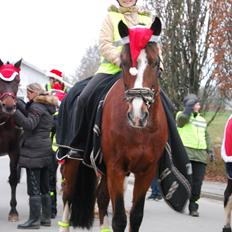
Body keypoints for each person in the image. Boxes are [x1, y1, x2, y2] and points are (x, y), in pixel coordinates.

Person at [15, 83, 58, 229]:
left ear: (34, 93)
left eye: (28, 93)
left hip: (34, 152)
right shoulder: (46, 107)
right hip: (45, 151)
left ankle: (34, 221)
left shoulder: (36, 107)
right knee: (44, 187)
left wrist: (14, 111)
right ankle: (46, 219)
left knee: (33, 188)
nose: (27, 96)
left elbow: (29, 124)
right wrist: (20, 105)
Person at [176, 93, 216, 217]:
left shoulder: (202, 119)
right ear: (190, 105)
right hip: (186, 153)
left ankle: (193, 205)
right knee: (186, 180)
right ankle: (180, 201)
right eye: (196, 103)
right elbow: (181, 122)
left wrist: (210, 150)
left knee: (197, 184)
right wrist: (188, 109)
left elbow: (206, 136)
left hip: (200, 156)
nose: (199, 105)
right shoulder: (181, 115)